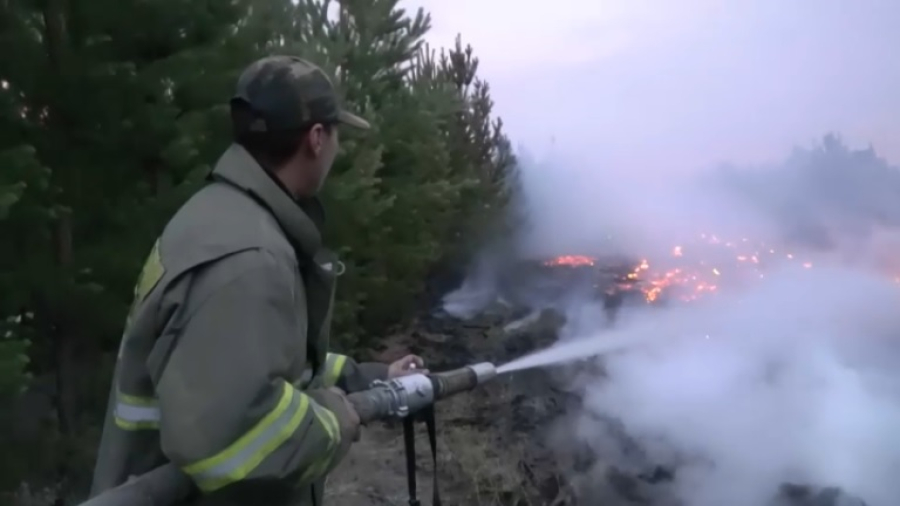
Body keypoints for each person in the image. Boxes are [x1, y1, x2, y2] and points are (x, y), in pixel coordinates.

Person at [90, 55, 425, 506]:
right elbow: (232, 437)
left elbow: (255, 362)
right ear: (317, 138)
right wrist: (331, 422)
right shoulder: (249, 258)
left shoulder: (224, 217)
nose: (338, 150)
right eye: (337, 135)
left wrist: (367, 376)